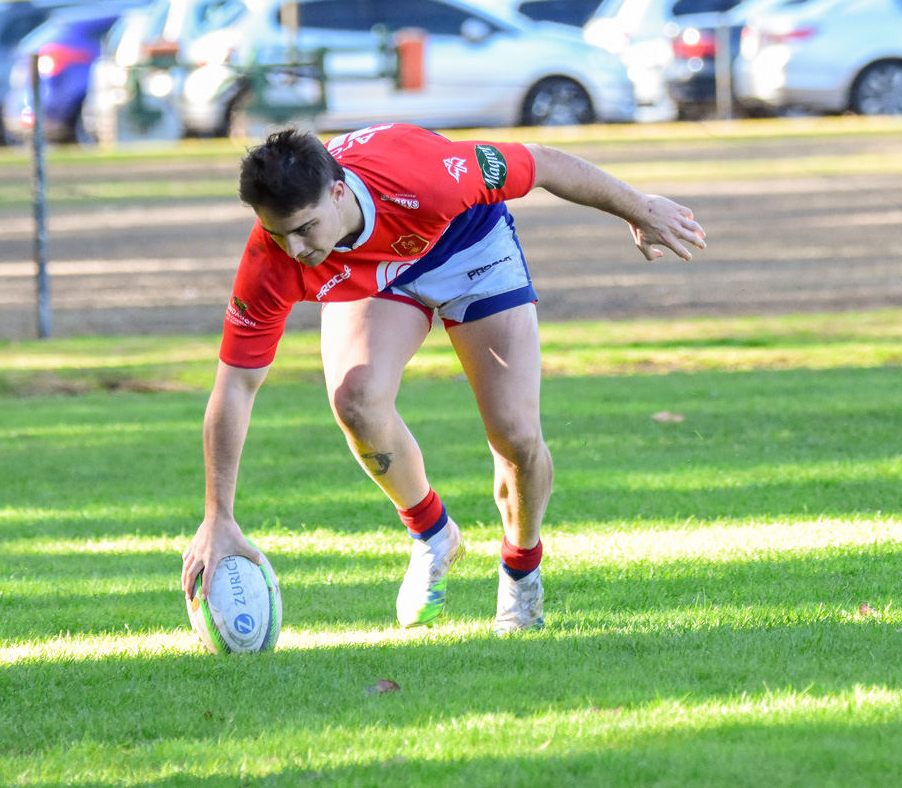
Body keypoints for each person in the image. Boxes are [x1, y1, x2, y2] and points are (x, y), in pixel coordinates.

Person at [181, 123, 706, 634]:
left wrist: (640, 208)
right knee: (357, 402)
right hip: (380, 273)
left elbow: (542, 161)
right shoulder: (272, 258)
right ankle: (433, 535)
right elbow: (235, 386)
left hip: (468, 245)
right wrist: (217, 515)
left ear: (337, 192)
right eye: (279, 233)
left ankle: (521, 569)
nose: (295, 250)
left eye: (303, 229)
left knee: (516, 436)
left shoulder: (430, 175)